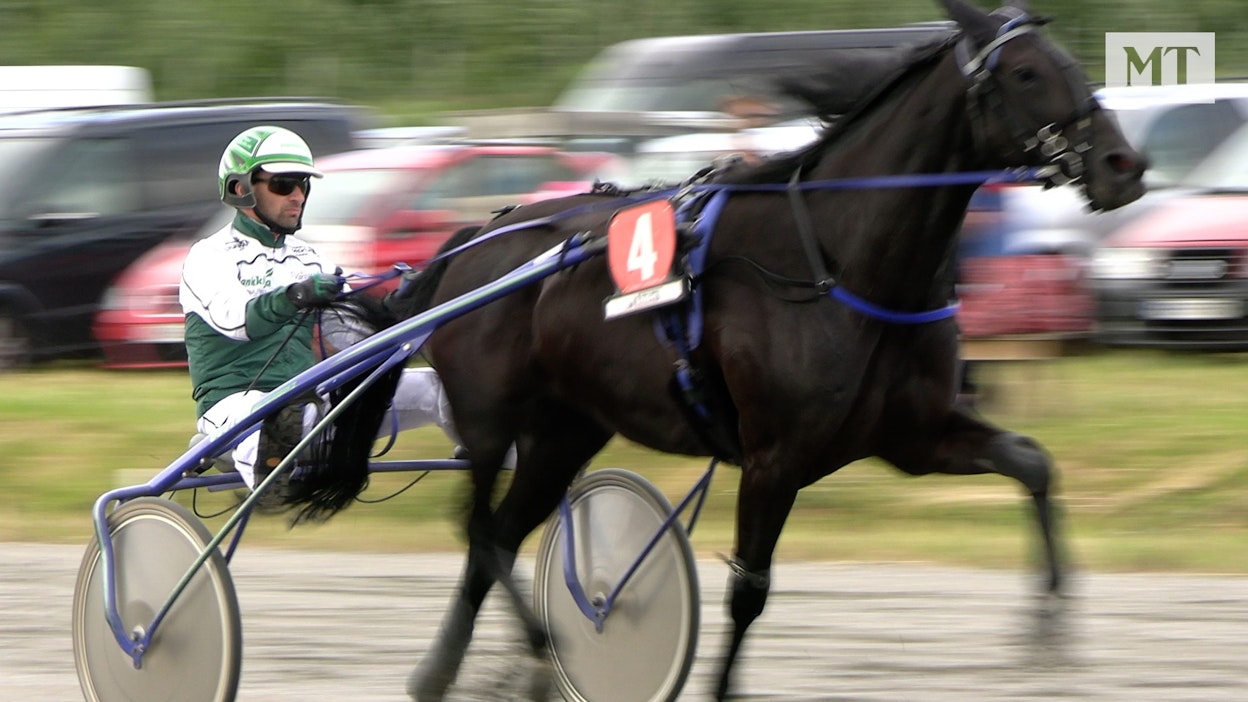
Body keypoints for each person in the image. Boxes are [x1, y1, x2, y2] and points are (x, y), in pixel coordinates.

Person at [180, 125, 455, 495]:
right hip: (236, 405)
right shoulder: (208, 256)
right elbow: (236, 321)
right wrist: (295, 296)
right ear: (240, 188)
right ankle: (255, 463)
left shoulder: (309, 258)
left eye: (303, 185)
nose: (298, 196)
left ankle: (510, 459)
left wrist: (400, 307)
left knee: (440, 387)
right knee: (276, 419)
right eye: (284, 185)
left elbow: (354, 336)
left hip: (308, 402)